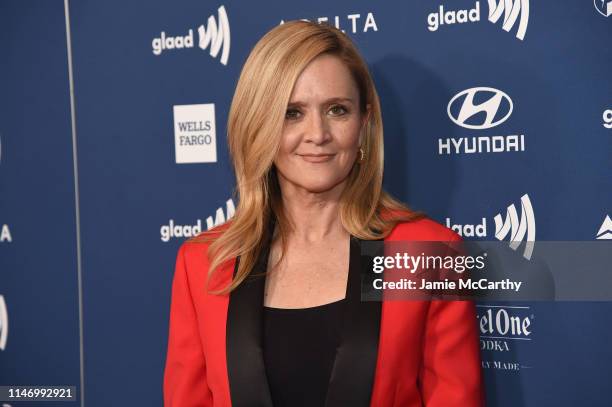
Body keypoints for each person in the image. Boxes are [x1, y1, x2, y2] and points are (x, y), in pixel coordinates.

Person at [163, 20, 484, 407]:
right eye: (292, 113)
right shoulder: (204, 263)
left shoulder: (427, 255)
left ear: (364, 123)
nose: (318, 134)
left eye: (337, 110)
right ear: (257, 125)